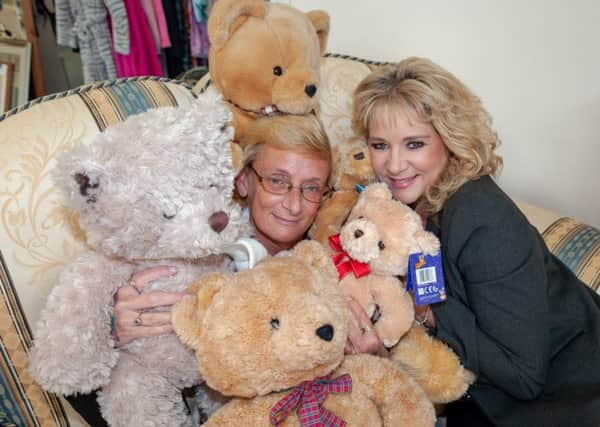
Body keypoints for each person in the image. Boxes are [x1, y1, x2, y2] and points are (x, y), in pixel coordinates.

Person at [350, 56, 600, 426]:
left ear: (450, 141)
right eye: (380, 145)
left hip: (565, 400)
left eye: (414, 144)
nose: (394, 164)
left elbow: (524, 376)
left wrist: (427, 311)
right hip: (480, 393)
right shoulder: (401, 208)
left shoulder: (481, 218)